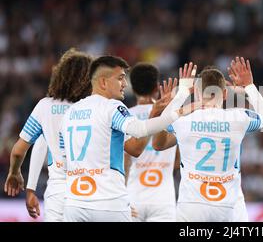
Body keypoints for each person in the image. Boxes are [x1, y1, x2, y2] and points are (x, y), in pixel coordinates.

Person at [61, 56, 196, 222]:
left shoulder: (69, 113)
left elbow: (134, 149)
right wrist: (181, 101)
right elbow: (139, 130)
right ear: (103, 82)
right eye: (120, 78)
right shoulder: (112, 108)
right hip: (108, 202)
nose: (125, 84)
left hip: (74, 204)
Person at [152, 57, 263, 222]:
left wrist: (180, 94)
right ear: (225, 93)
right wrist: (249, 87)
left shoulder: (182, 119)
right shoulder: (238, 117)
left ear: (197, 93)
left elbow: (159, 138)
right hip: (227, 205)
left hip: (191, 205)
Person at [3, 48, 93, 221]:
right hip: (91, 191)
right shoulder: (98, 107)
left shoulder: (45, 107)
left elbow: (18, 150)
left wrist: (17, 174)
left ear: (59, 76)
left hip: (57, 194)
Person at [124, 62, 179, 222]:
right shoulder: (170, 115)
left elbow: (124, 160)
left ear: (132, 88)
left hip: (133, 197)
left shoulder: (124, 116)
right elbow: (178, 160)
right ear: (157, 87)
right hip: (163, 199)